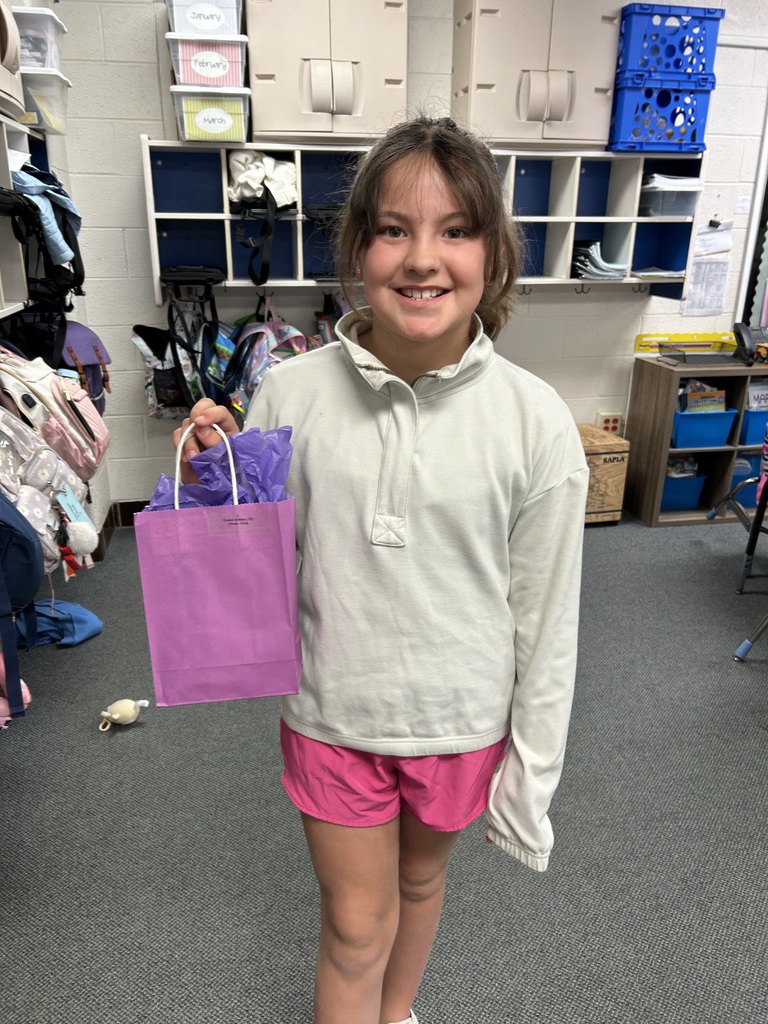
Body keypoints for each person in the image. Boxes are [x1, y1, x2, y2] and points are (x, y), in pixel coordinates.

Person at [173, 116, 589, 1024]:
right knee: (356, 926)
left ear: (493, 254)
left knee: (421, 883)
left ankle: (396, 1014)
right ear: (358, 248)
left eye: (455, 230)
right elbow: (251, 578)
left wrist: (532, 773)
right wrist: (222, 479)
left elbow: (547, 619)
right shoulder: (289, 391)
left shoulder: (536, 422)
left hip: (461, 721)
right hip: (336, 716)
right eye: (394, 229)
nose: (422, 258)